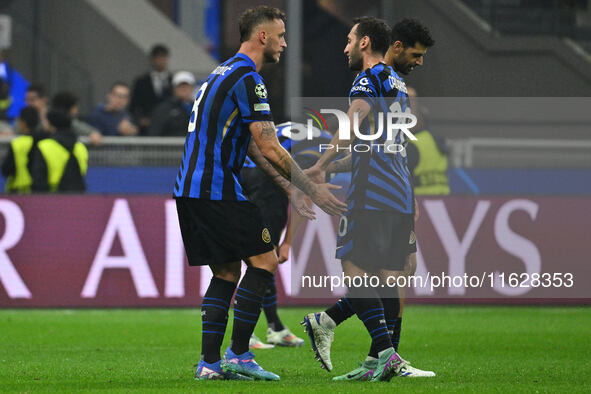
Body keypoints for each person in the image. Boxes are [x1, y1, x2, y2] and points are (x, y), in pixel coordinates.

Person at [173, 5, 346, 381]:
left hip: (189, 187)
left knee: (225, 272)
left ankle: (209, 364)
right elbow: (270, 145)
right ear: (263, 36)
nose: (285, 44)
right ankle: (239, 355)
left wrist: (288, 187)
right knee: (265, 262)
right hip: (217, 187)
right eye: (281, 36)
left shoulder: (218, 73)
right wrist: (311, 187)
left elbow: (250, 145)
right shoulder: (249, 79)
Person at [301, 18, 436, 380]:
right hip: (396, 193)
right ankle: (378, 359)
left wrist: (321, 164)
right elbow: (380, 148)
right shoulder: (397, 83)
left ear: (364, 43)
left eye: (348, 40)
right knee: (390, 277)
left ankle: (340, 330)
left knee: (358, 273)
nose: (344, 47)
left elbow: (351, 123)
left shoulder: (368, 79)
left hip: (371, 195)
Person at [241, 121, 332, 349]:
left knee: (260, 257)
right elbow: (305, 196)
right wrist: (288, 242)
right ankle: (247, 333)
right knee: (263, 259)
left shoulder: (304, 131)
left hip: (244, 172)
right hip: (267, 183)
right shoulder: (326, 150)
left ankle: (275, 327)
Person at [30, 108, 88, 192]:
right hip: (76, 196)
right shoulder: (81, 147)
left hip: (51, 196)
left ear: (51, 124)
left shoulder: (44, 146)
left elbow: (39, 179)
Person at [129, 44, 172, 134]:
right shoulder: (141, 82)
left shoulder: (173, 81)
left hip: (168, 128)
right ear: (152, 59)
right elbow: (133, 105)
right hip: (147, 128)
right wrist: (140, 119)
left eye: (163, 57)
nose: (160, 61)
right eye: (158, 57)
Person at [1, 106, 45, 193]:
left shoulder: (18, 143)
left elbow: (6, 169)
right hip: (43, 191)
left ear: (23, 122)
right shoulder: (45, 142)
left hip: (20, 191)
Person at [147, 71, 196, 137]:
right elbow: (154, 131)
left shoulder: (198, 107)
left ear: (192, 88)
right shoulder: (163, 109)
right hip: (170, 146)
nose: (183, 89)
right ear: (174, 89)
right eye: (180, 86)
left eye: (186, 86)